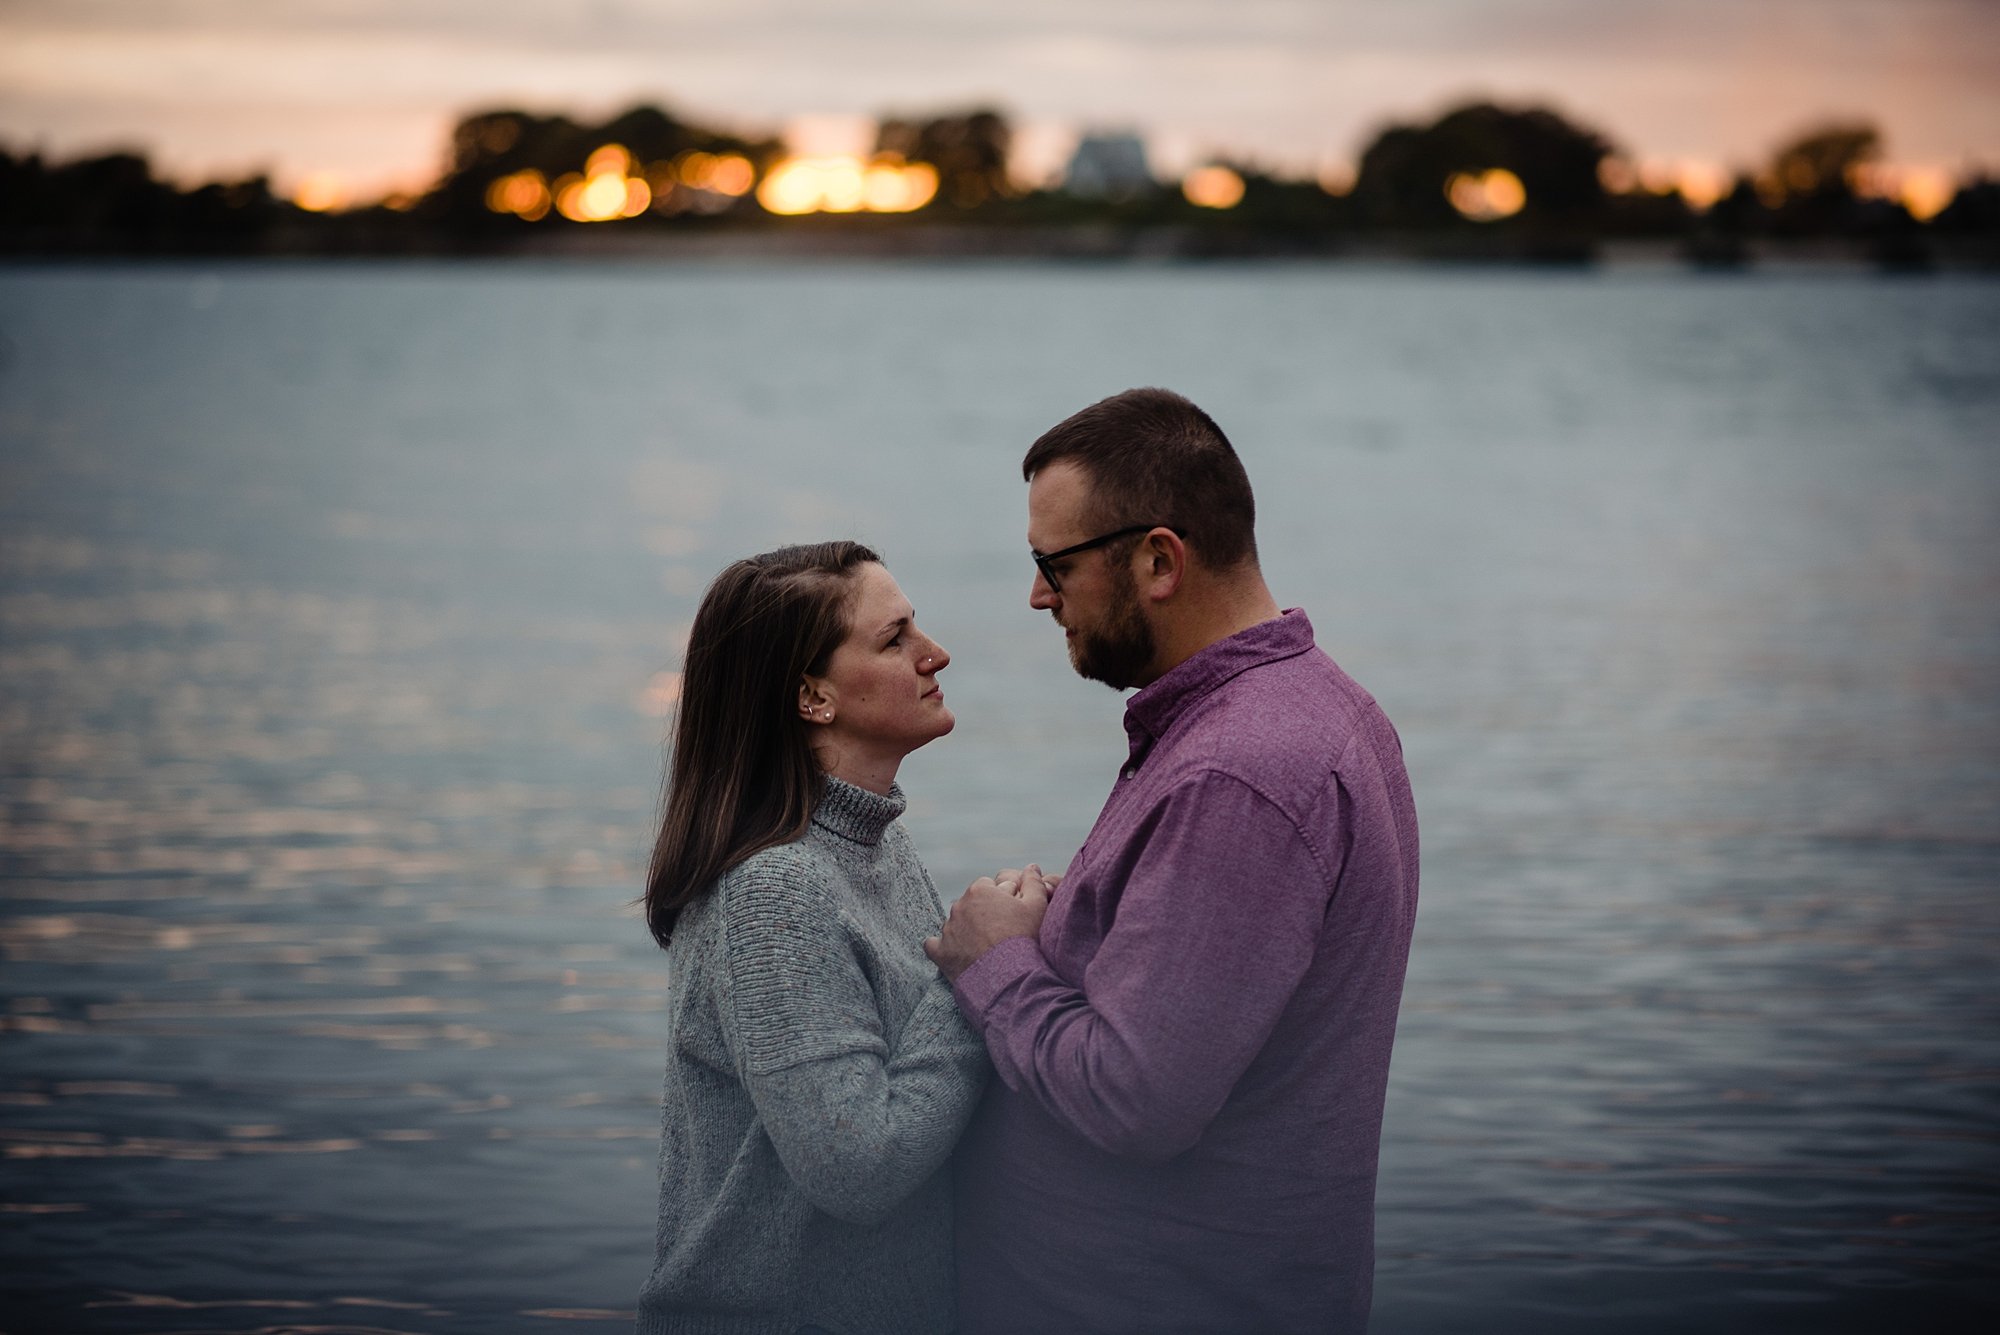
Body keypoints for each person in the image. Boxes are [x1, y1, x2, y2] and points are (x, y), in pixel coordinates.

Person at [926, 388, 1420, 1335]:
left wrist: (996, 961)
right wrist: (1090, 917)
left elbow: (1134, 1097)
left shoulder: (1242, 772)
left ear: (1159, 559)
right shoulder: (1315, 709)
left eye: (1052, 564)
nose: (1037, 595)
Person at [638, 540, 986, 1335]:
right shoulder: (775, 889)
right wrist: (978, 975)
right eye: (894, 639)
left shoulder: (876, 844)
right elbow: (856, 1166)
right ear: (813, 698)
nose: (936, 653)